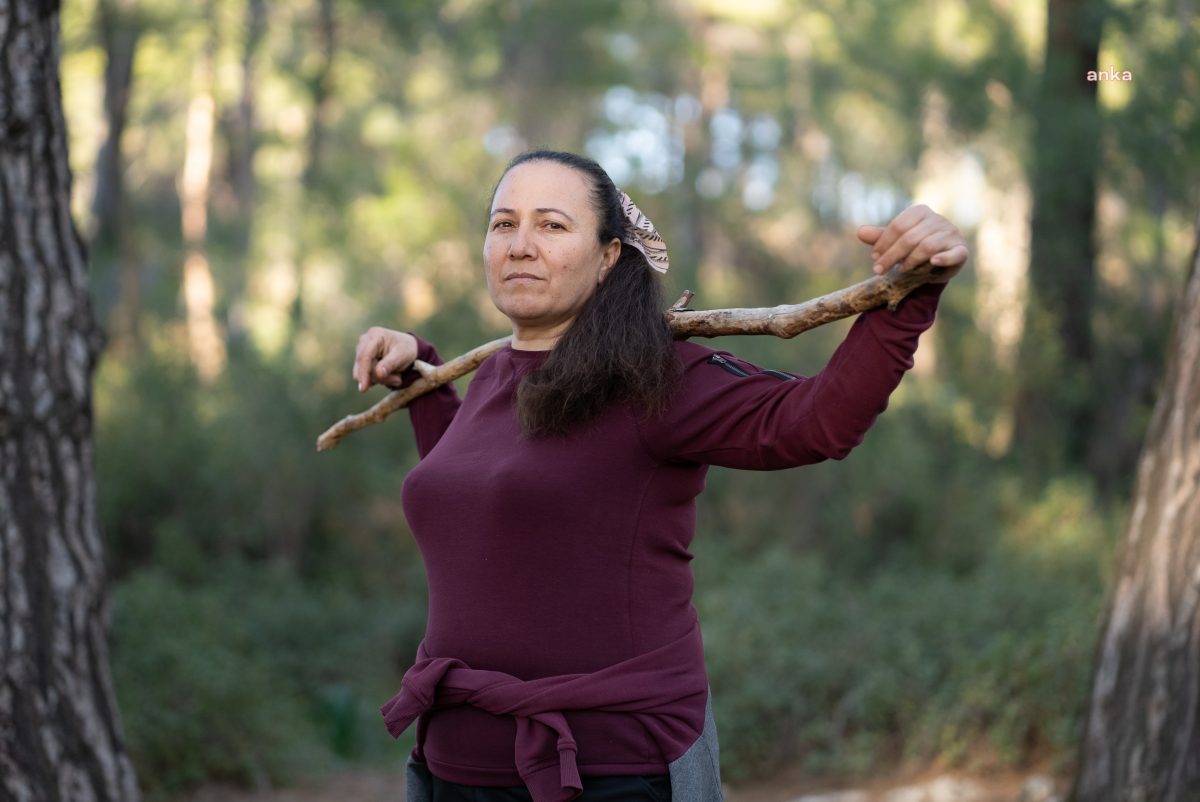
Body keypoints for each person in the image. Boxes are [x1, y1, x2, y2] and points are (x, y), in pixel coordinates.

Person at [352, 150, 968, 802]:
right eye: (504, 225)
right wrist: (421, 375)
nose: (521, 245)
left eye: (553, 226)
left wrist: (910, 292)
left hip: (611, 771)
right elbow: (479, 495)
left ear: (608, 256)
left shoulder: (658, 376)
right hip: (451, 766)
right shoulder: (492, 377)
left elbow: (814, 422)